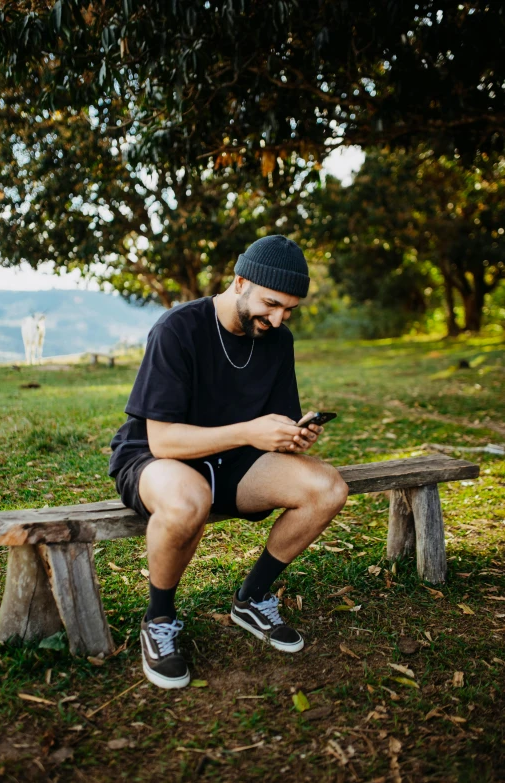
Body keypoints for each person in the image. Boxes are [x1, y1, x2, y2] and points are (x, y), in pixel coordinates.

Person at [109, 234, 349, 689]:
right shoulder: (177, 328)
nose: (278, 319)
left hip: (237, 460)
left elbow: (271, 429)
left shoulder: (277, 339)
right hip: (157, 458)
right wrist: (247, 432)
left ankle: (252, 597)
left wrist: (292, 436)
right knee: (187, 500)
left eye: (289, 310)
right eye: (272, 304)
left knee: (327, 488)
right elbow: (161, 440)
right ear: (240, 281)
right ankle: (159, 619)